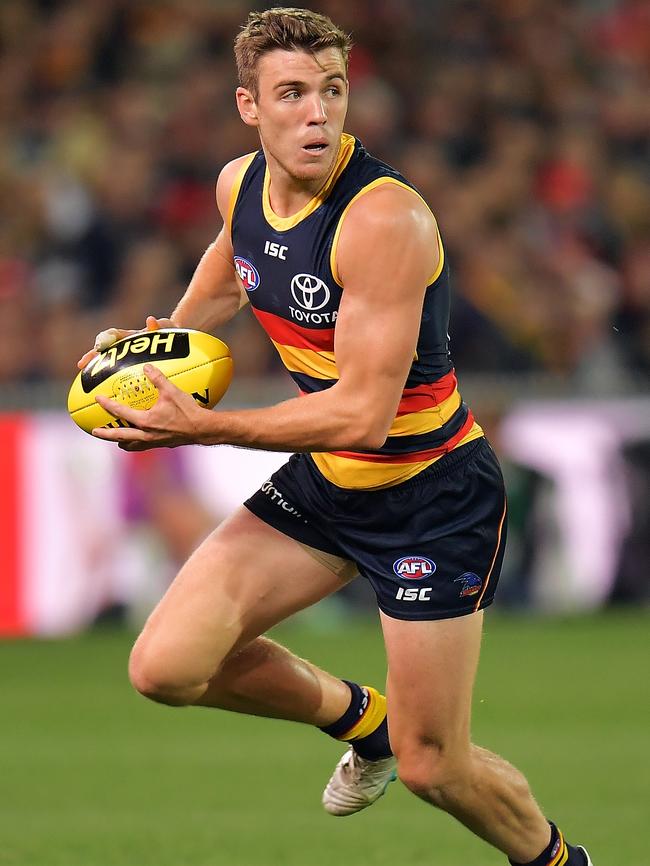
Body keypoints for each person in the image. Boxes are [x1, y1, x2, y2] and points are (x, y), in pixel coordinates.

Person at [81, 8, 593, 866]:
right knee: (164, 667)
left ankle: (557, 860)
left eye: (332, 90)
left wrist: (204, 428)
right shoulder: (237, 186)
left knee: (440, 768)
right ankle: (368, 723)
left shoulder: (385, 221)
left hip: (432, 494)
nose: (318, 112)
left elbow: (362, 414)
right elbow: (227, 277)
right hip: (330, 480)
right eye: (292, 94)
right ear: (250, 107)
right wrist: (150, 359)